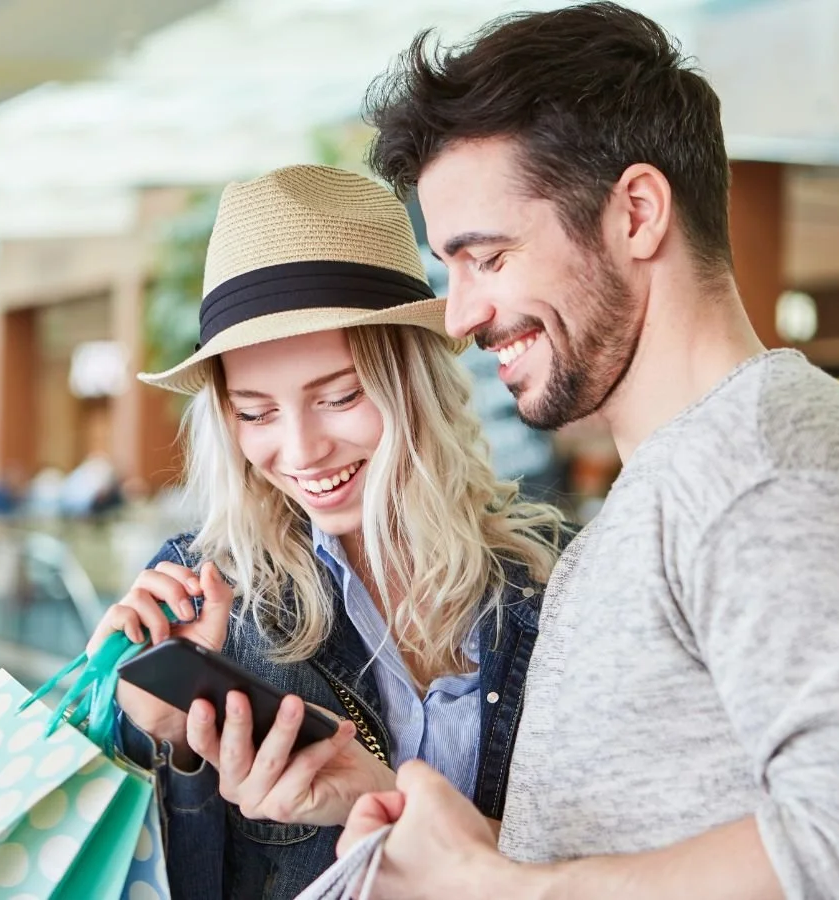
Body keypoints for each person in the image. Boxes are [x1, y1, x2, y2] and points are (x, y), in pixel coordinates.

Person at [337, 4, 839, 898]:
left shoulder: (767, 471)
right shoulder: (676, 480)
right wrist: (469, 850)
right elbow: (672, 838)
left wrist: (497, 889)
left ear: (638, 213)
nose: (459, 316)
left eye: (488, 259)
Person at [88, 163, 567, 900]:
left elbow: (616, 858)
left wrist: (385, 798)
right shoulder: (205, 599)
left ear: (414, 383)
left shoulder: (547, 587)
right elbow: (143, 870)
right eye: (254, 413)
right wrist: (151, 736)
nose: (302, 451)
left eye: (340, 396)